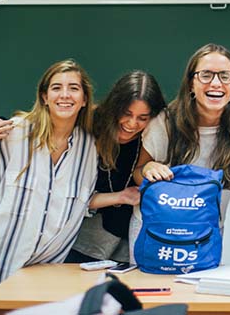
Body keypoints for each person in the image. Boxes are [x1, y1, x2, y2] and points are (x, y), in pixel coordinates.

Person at [0, 59, 98, 315]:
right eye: (56, 88)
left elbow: (81, 200)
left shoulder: (90, 148)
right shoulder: (13, 133)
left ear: (84, 99)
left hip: (36, 268)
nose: (65, 95)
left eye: (73, 88)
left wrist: (124, 196)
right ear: (44, 96)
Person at [130, 43, 230, 261]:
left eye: (225, 76)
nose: (216, 83)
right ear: (191, 83)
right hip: (156, 235)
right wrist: (150, 168)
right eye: (206, 75)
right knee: (152, 294)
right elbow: (139, 171)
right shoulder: (166, 122)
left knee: (198, 294)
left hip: (205, 236)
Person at [66, 71, 166, 264]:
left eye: (142, 118)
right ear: (114, 106)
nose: (131, 124)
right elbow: (66, 196)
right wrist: (120, 197)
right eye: (126, 113)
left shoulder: (154, 140)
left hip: (131, 243)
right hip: (80, 239)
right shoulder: (88, 127)